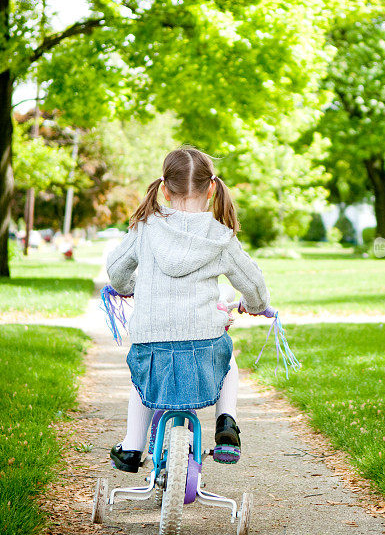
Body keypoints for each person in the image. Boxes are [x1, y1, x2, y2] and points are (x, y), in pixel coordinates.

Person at [106, 146, 270, 473]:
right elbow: (252, 284)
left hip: (152, 343)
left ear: (164, 189)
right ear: (212, 188)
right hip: (203, 345)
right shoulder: (221, 237)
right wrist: (256, 306)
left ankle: (132, 447)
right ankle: (226, 426)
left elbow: (116, 271)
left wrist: (130, 288)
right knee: (227, 361)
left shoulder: (146, 227)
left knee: (143, 382)